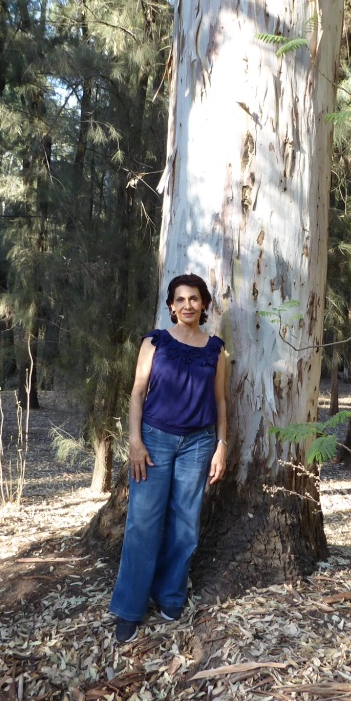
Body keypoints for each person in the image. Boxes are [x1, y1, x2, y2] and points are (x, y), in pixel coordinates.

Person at [109, 273, 228, 643]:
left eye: (194, 299)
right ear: (171, 306)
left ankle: (170, 595)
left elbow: (221, 400)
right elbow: (137, 393)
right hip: (155, 441)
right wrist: (135, 440)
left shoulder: (215, 349)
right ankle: (129, 608)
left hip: (198, 444)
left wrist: (222, 445)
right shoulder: (154, 341)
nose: (187, 305)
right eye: (180, 299)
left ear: (204, 304)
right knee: (143, 522)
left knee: (185, 524)